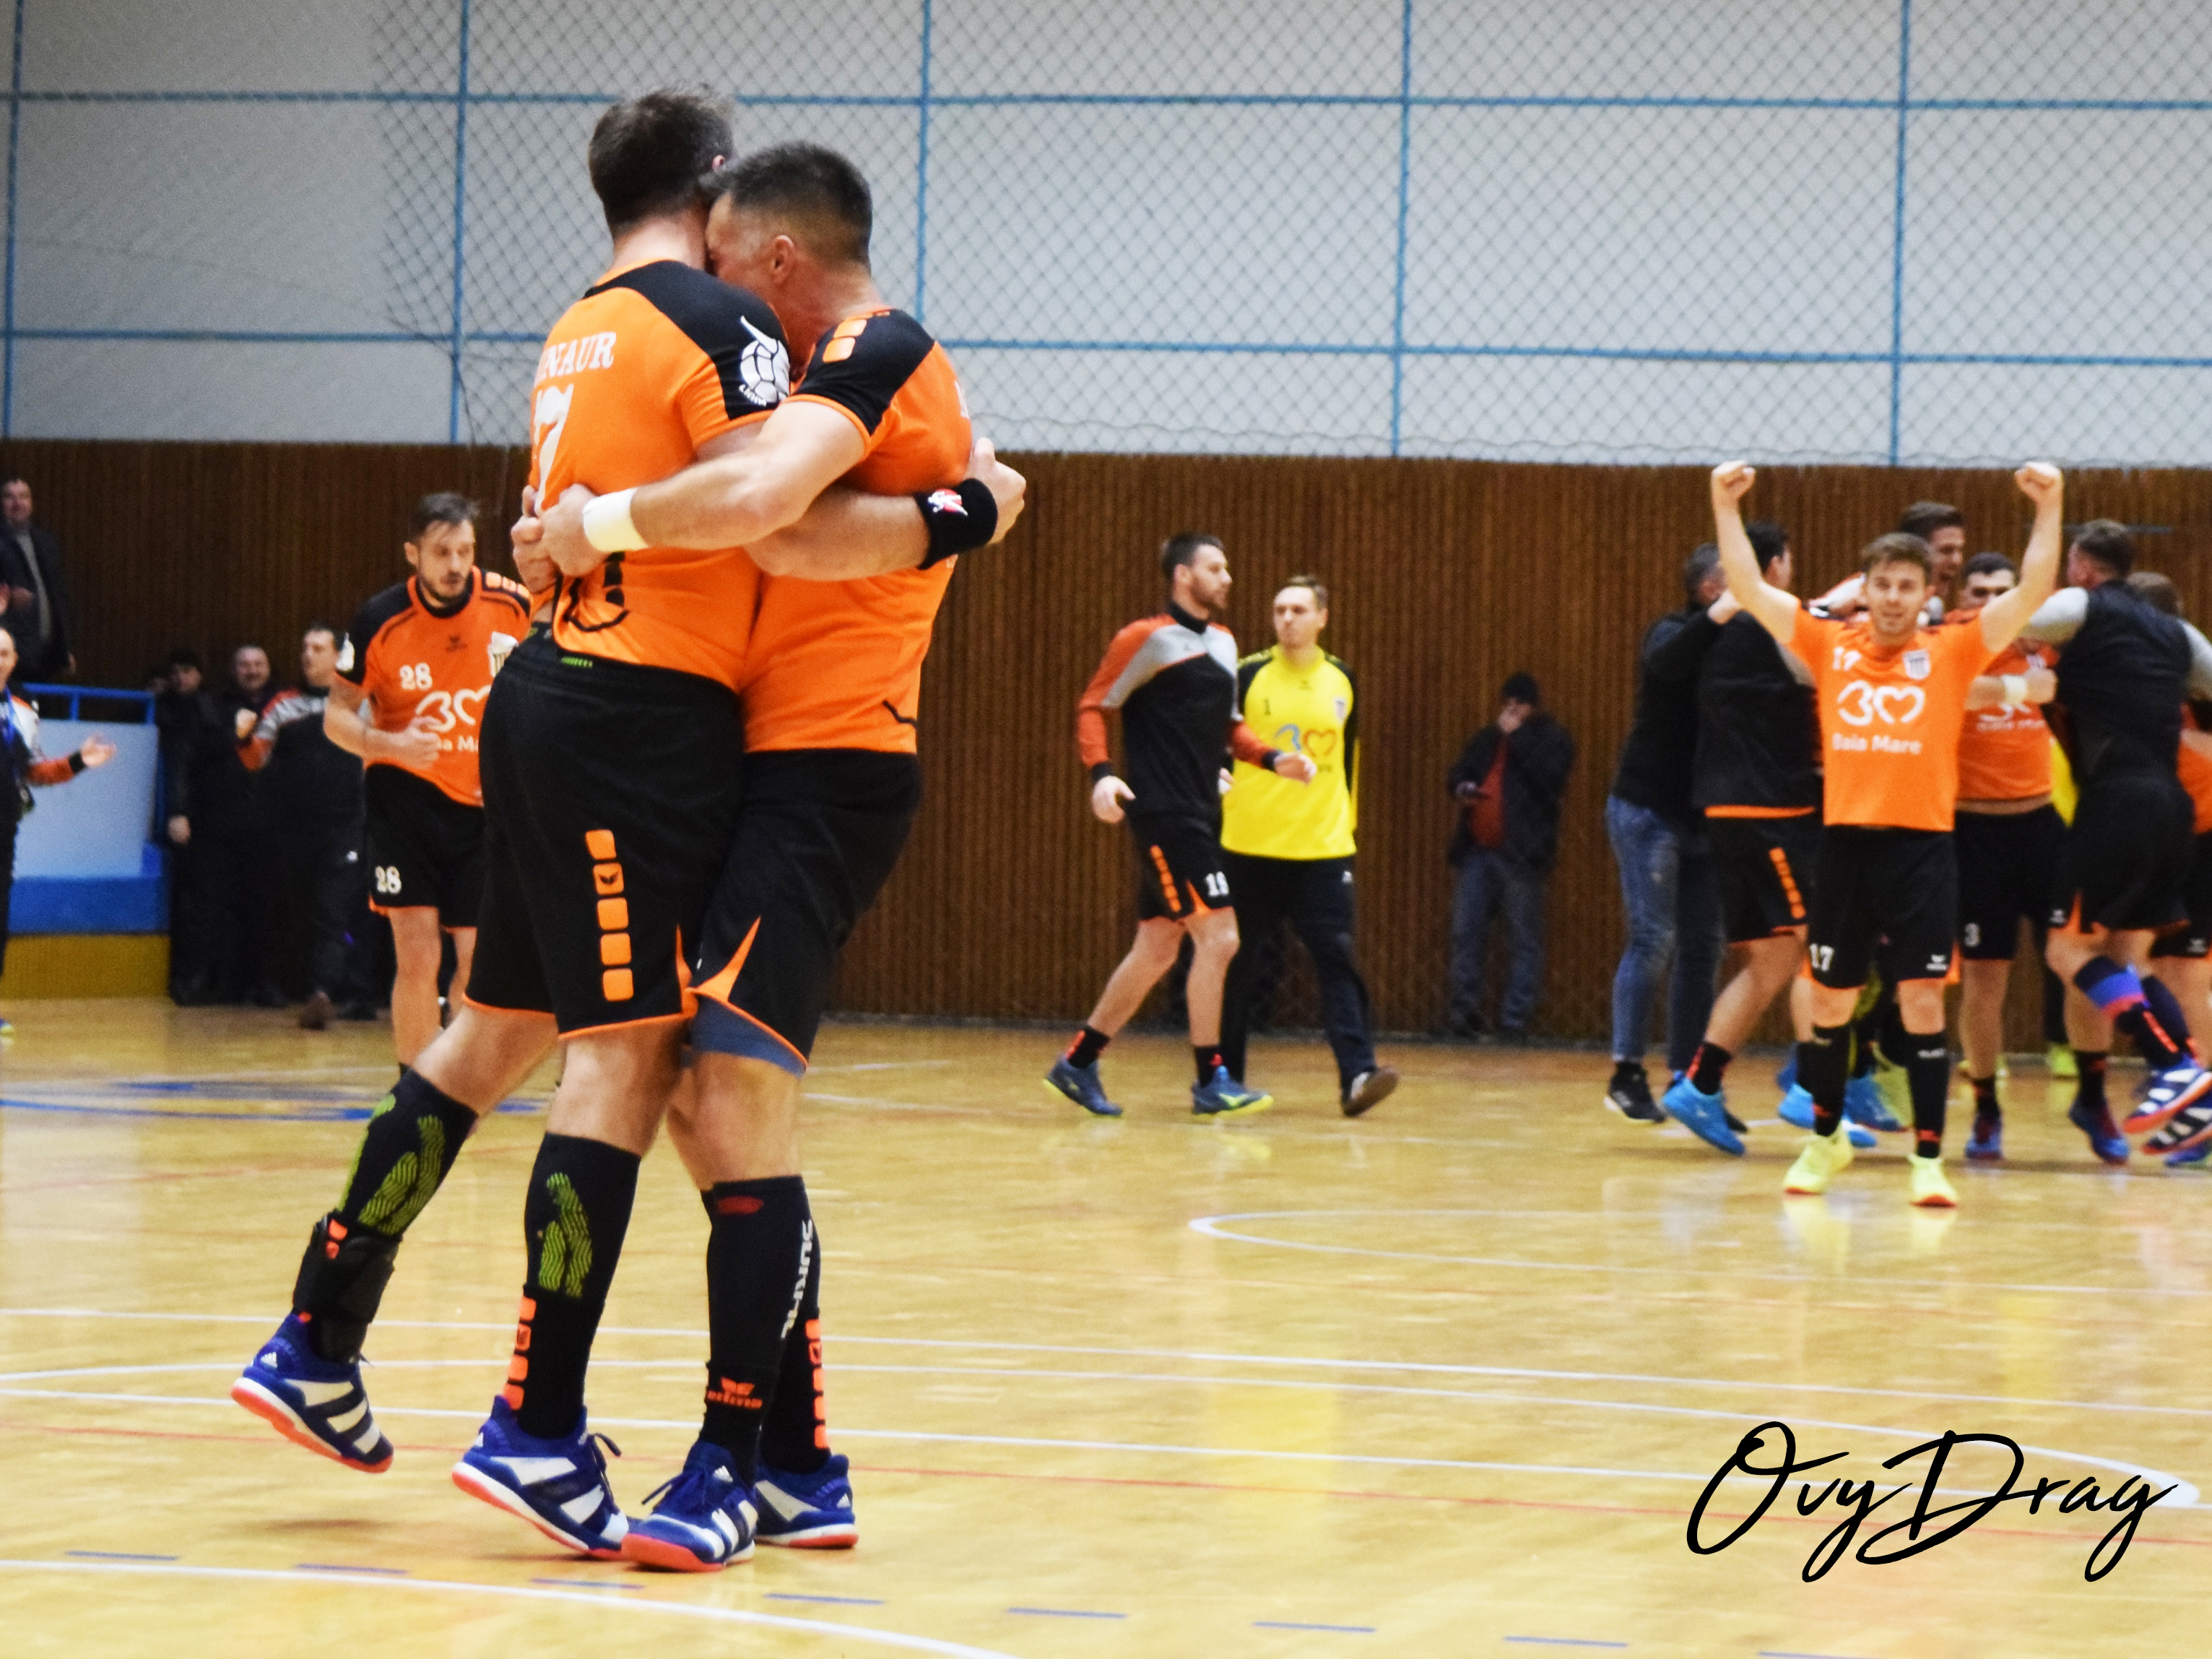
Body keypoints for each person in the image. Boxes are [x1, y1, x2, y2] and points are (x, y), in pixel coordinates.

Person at [229, 91, 1017, 1566]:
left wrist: (590, 528)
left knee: (530, 1043)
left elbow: (758, 505)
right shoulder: (723, 323)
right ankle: (550, 1423)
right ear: (716, 197)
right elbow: (758, 506)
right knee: (649, 1069)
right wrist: (967, 508)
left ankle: (327, 1334)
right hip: (644, 722)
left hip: (646, 718)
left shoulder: (582, 330)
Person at [524, 140, 1022, 1568]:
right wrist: (967, 507)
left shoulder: (873, 347)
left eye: (726, 261)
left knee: (731, 1096)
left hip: (828, 774)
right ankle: (803, 1462)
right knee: (703, 1106)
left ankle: (729, 1459)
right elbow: (905, 499)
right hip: (763, 767)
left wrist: (593, 523)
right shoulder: (819, 371)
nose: (712, 284)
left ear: (780, 259)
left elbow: (776, 530)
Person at [1706, 459, 2063, 1208]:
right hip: (1845, 849)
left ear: (1927, 594)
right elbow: (1747, 587)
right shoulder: (1829, 643)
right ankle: (1825, 1139)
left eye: (1907, 585)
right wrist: (1725, 504)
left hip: (1922, 851)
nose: (1894, 597)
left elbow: (2033, 589)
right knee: (1829, 1005)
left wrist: (2049, 504)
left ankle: (1928, 1159)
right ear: (1864, 591)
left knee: (1922, 1002)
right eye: (1883, 584)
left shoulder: (1954, 649)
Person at [1049, 534, 1314, 1121]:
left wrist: (1273, 759)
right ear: (1182, 576)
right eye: (1215, 568)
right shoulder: (1145, 638)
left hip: (1201, 811)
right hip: (1164, 815)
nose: (1227, 577)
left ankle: (1078, 1061)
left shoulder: (1223, 642)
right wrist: (1101, 775)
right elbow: (1094, 705)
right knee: (1220, 937)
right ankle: (1210, 1078)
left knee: (1156, 948)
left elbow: (1229, 728)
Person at [2020, 524, 2212, 1162]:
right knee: (2125, 960)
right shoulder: (2176, 638)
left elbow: (2016, 617)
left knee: (2066, 950)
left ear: (2079, 566)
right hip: (2170, 813)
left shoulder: (2083, 614)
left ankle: (2173, 1063)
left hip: (2118, 807)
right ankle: (2184, 1090)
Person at [324, 493, 531, 1067]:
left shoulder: (513, 603)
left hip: (482, 807)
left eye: (466, 550)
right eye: (442, 552)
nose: (456, 564)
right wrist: (391, 745)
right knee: (417, 955)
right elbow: (336, 716)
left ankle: (452, 1084)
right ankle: (413, 1090)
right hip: (404, 802)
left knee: (478, 961)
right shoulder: (379, 619)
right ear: (413, 554)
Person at [1662, 521, 1836, 1151]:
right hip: (1772, 811)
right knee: (1822, 946)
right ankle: (1813, 1088)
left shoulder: (1720, 629)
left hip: (1725, 811)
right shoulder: (1771, 626)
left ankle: (1699, 1084)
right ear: (1778, 564)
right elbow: (1829, 651)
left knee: (1770, 961)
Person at [1216, 576, 1396, 1117]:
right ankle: (1224, 1079)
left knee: (1335, 957)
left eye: (1298, 609)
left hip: (1321, 848)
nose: (1287, 619)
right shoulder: (1248, 674)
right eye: (1280, 610)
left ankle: (1358, 1074)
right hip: (1248, 844)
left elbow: (1349, 758)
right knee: (1237, 964)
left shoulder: (1341, 678)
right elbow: (1220, 738)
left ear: (1322, 617)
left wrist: (1347, 830)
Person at [1940, 553, 2063, 1162]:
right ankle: (1986, 1106)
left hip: (2040, 825)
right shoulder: (1950, 646)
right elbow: (1947, 691)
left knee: (2074, 957)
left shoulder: (2045, 647)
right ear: (1960, 599)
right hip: (1973, 832)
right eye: (1978, 592)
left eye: (2001, 591)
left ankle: (2093, 1091)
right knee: (1984, 980)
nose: (1990, 602)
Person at [1601, 547, 1727, 1119]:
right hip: (1648, 808)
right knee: (1652, 938)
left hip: (1702, 816)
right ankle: (1626, 1072)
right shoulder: (1672, 630)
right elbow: (1666, 661)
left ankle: (1689, 1080)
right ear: (1710, 588)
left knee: (1704, 945)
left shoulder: (1736, 643)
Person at [240, 624, 373, 1027]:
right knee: (295, 909)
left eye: (318, 648)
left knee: (335, 910)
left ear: (338, 656)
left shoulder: (361, 703)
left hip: (346, 827)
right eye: (305, 648)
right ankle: (296, 986)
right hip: (293, 830)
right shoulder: (284, 705)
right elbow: (255, 760)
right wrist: (244, 737)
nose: (308, 655)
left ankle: (326, 992)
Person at [1447, 672, 1575, 1043]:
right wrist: (1462, 787)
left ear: (1534, 707)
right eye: (1508, 703)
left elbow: (1551, 778)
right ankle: (1464, 1015)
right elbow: (1459, 771)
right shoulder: (1488, 738)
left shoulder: (1551, 739)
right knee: (1466, 932)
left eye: (1519, 704)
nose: (1511, 711)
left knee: (1524, 938)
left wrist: (1517, 737)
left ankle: (1514, 1022)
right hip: (1478, 851)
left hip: (1522, 856)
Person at [0, 625, 113, 1032]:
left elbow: (32, 771)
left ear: (14, 661)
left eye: (4, 654)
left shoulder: (23, 709)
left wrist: (78, 761)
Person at [0, 476, 74, 682]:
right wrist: (8, 598)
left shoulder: (45, 542)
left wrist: (65, 648)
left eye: (24, 496)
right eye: (9, 497)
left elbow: (59, 596)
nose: (18, 503)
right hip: (10, 655)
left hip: (47, 657)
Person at [1896, 502, 1967, 620]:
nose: (1958, 561)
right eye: (1947, 550)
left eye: (1959, 550)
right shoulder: (1867, 615)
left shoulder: (1945, 618)